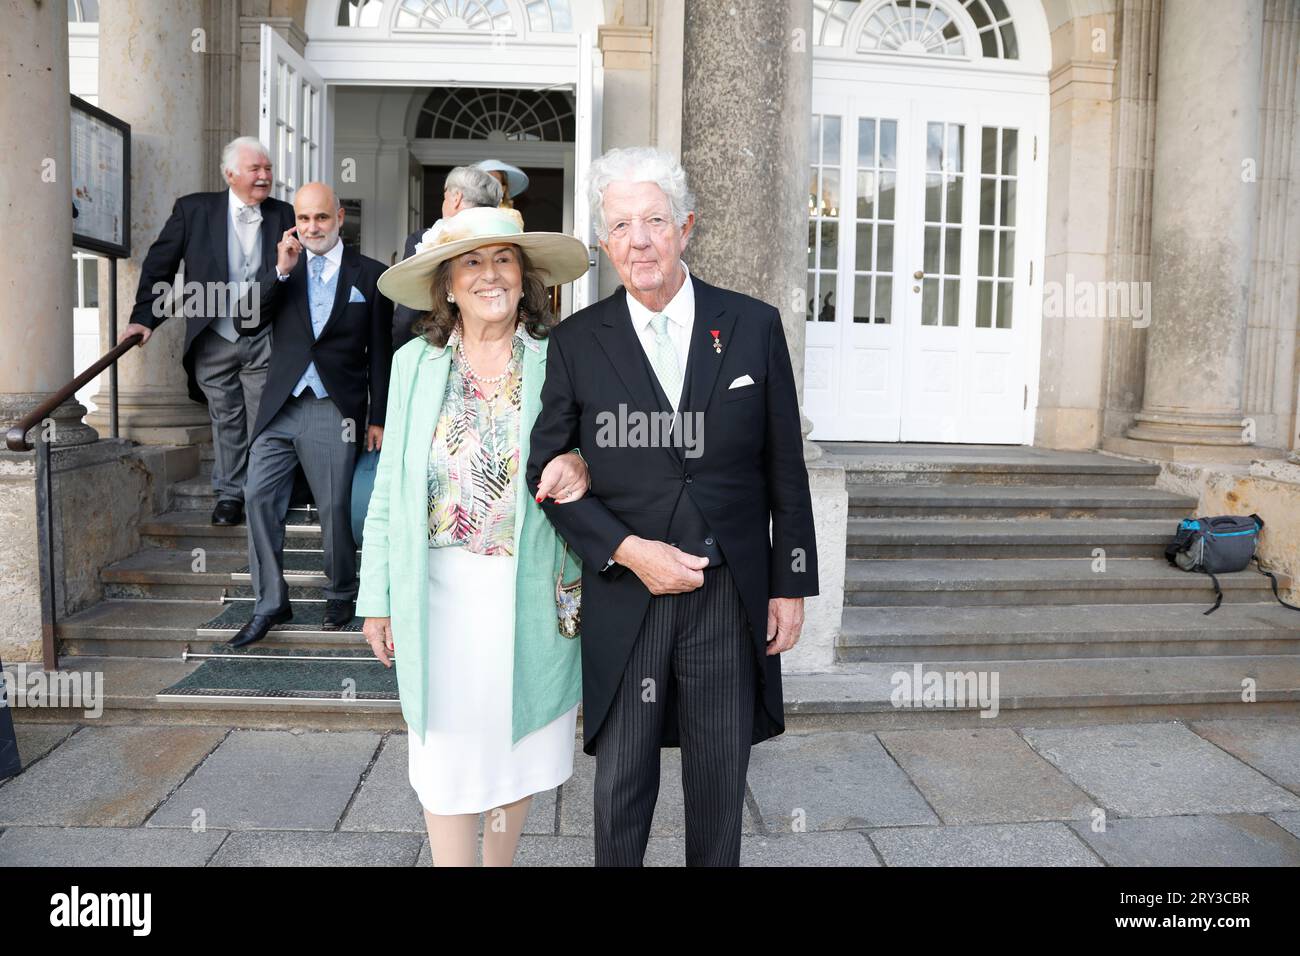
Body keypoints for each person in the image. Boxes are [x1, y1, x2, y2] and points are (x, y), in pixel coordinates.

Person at [526, 146, 820, 866]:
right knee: (621, 786)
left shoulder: (751, 325)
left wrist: (792, 583)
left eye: (654, 220)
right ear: (604, 242)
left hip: (727, 595)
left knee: (720, 787)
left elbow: (785, 463)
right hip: (627, 595)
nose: (640, 240)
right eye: (622, 225)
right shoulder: (574, 343)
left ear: (684, 227)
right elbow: (545, 470)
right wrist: (627, 550)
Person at [356, 205, 592, 866]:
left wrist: (585, 465)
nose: (490, 275)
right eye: (471, 262)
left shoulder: (561, 362)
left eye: (504, 260)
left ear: (527, 279)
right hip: (436, 593)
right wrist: (376, 595)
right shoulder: (414, 365)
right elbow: (388, 490)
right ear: (448, 286)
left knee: (513, 751)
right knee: (444, 755)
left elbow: (598, 461)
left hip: (527, 589)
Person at [226, 183, 392, 647]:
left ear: (339, 217)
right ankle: (270, 602)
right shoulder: (284, 270)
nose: (311, 228)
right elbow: (246, 322)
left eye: (320, 218)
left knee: (335, 507)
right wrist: (280, 271)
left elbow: (381, 353)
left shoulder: (371, 276)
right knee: (257, 494)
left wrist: (377, 416)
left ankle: (341, 592)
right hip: (281, 406)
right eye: (303, 220)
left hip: (334, 409)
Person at [119, 137, 295, 527]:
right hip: (213, 334)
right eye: (256, 169)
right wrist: (144, 317)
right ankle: (230, 496)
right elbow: (159, 265)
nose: (265, 176)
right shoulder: (194, 209)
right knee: (226, 417)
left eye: (268, 169)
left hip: (266, 334)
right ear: (231, 174)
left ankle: (263, 494)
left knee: (264, 417)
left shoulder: (286, 213)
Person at [391, 166, 503, 351]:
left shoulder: (423, 240)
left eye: (445, 196)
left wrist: (401, 351)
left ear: (456, 197)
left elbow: (407, 316)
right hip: (495, 346)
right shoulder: (506, 242)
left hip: (436, 345)